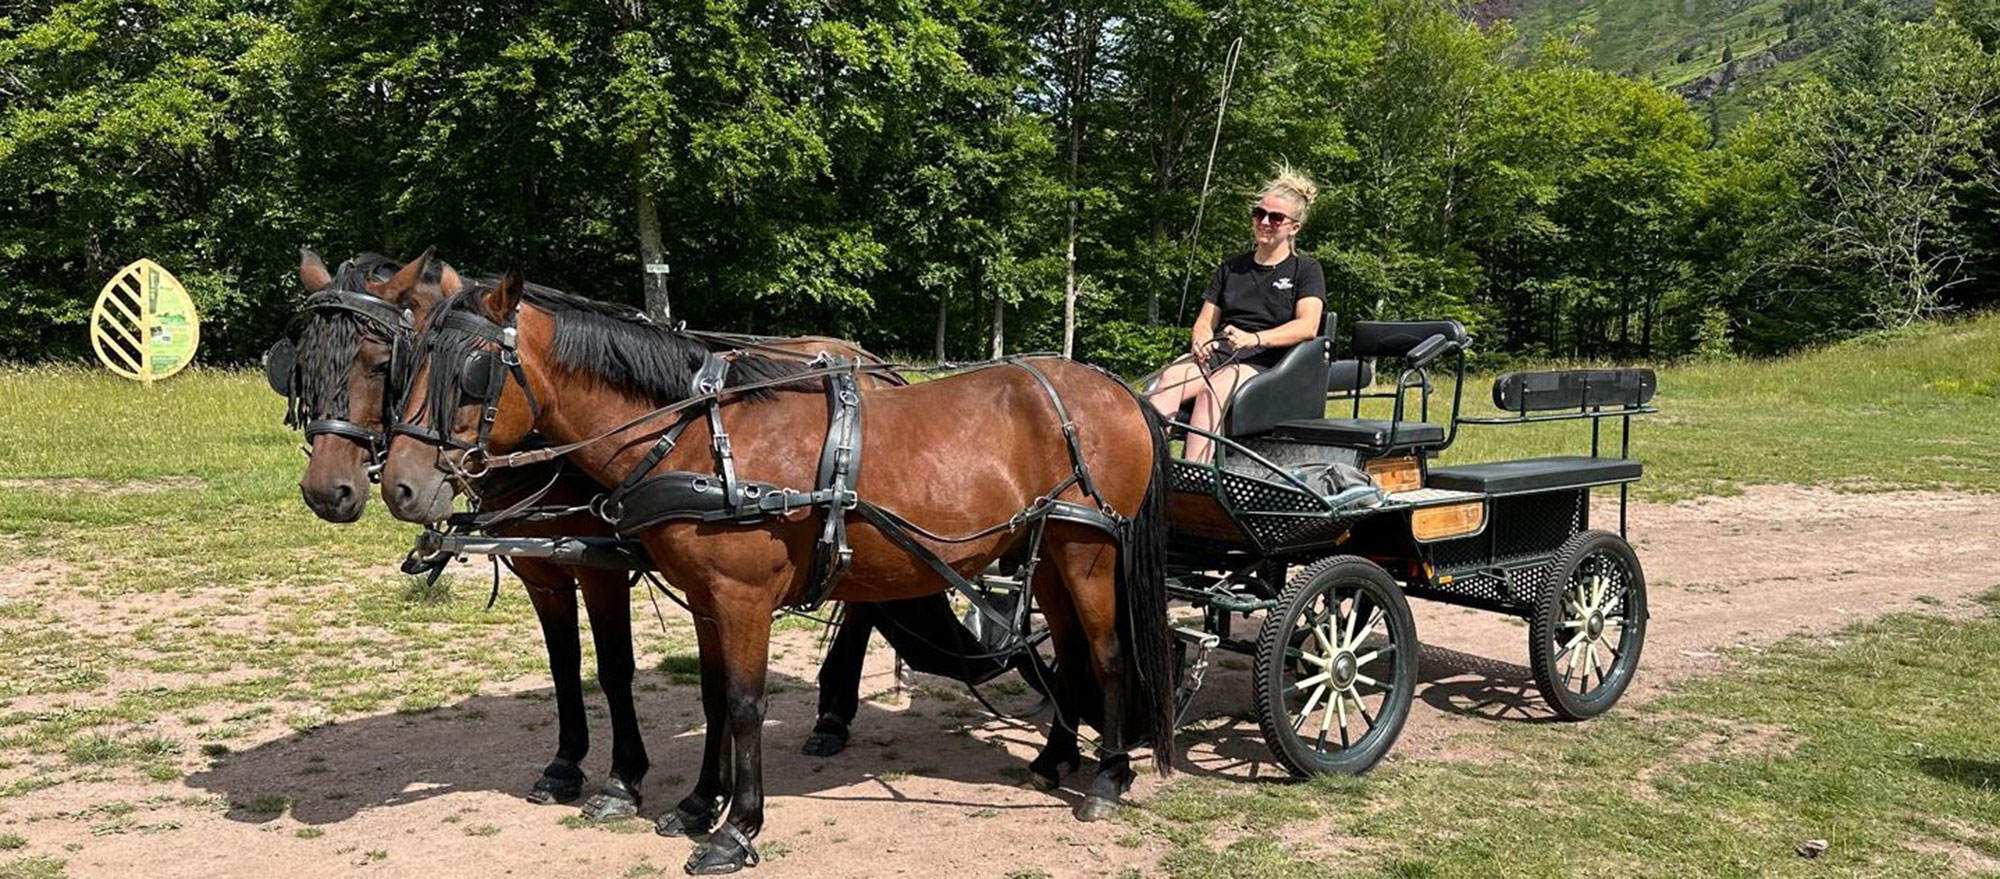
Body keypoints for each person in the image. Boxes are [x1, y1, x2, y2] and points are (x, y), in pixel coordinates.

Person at [1150, 166, 1327, 462]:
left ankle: (1195, 478)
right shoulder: (1231, 268)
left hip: (1271, 362)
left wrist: (1253, 338)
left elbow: (1307, 327)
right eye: (1260, 214)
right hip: (1222, 352)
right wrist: (1201, 339)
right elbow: (1206, 321)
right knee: (1169, 379)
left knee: (1213, 391)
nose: (1265, 222)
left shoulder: (1306, 270)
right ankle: (1149, 471)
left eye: (1276, 217)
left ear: (1294, 227)